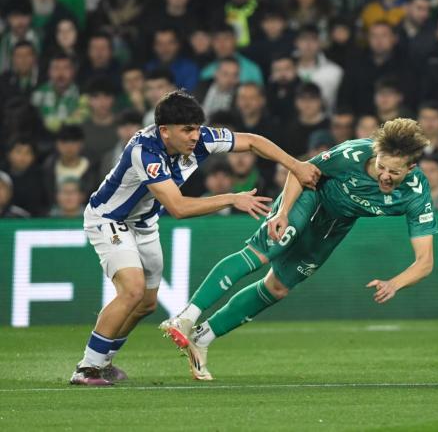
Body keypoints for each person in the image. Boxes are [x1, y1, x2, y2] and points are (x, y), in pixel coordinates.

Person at [69, 90, 320, 386]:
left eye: (197, 128)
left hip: (145, 223)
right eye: (187, 130)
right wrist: (231, 198)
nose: (194, 136)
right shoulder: (145, 151)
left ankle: (105, 361)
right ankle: (87, 368)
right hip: (110, 219)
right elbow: (178, 207)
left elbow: (253, 141)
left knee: (147, 304)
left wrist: (296, 165)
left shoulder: (201, 138)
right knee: (132, 290)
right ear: (165, 131)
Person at [160, 118, 437, 380]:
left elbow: (425, 262)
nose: (385, 176)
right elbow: (301, 170)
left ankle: (201, 338)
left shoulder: (416, 193)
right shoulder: (353, 154)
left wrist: (394, 283)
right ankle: (186, 317)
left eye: (394, 172)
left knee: (278, 288)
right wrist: (282, 212)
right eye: (381, 166)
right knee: (262, 254)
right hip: (309, 195)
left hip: (335, 224)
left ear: (411, 168)